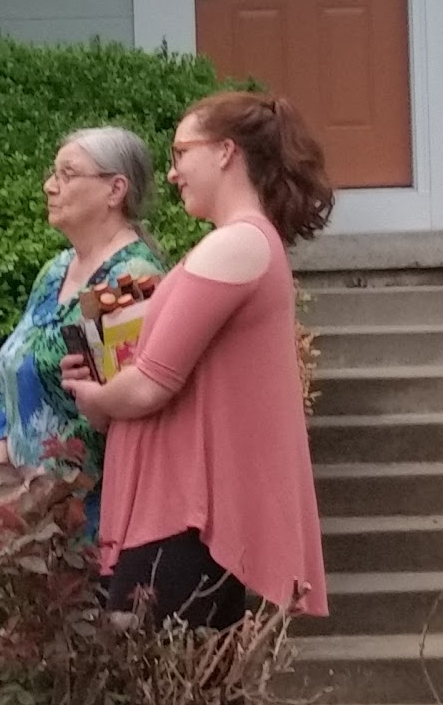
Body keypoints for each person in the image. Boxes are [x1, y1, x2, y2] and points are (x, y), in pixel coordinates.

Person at [62, 91, 333, 629]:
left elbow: (151, 384)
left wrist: (98, 396)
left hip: (185, 517)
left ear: (225, 151)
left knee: (144, 662)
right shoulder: (236, 244)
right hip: (179, 512)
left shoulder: (237, 245)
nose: (172, 173)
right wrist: (100, 390)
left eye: (181, 153)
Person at [0, 127, 167, 531]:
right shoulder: (56, 271)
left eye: (67, 174)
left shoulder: (131, 281)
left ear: (115, 190)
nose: (50, 186)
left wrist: (32, 498)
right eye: (53, 174)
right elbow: (15, 368)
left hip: (82, 521)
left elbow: (120, 413)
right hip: (24, 515)